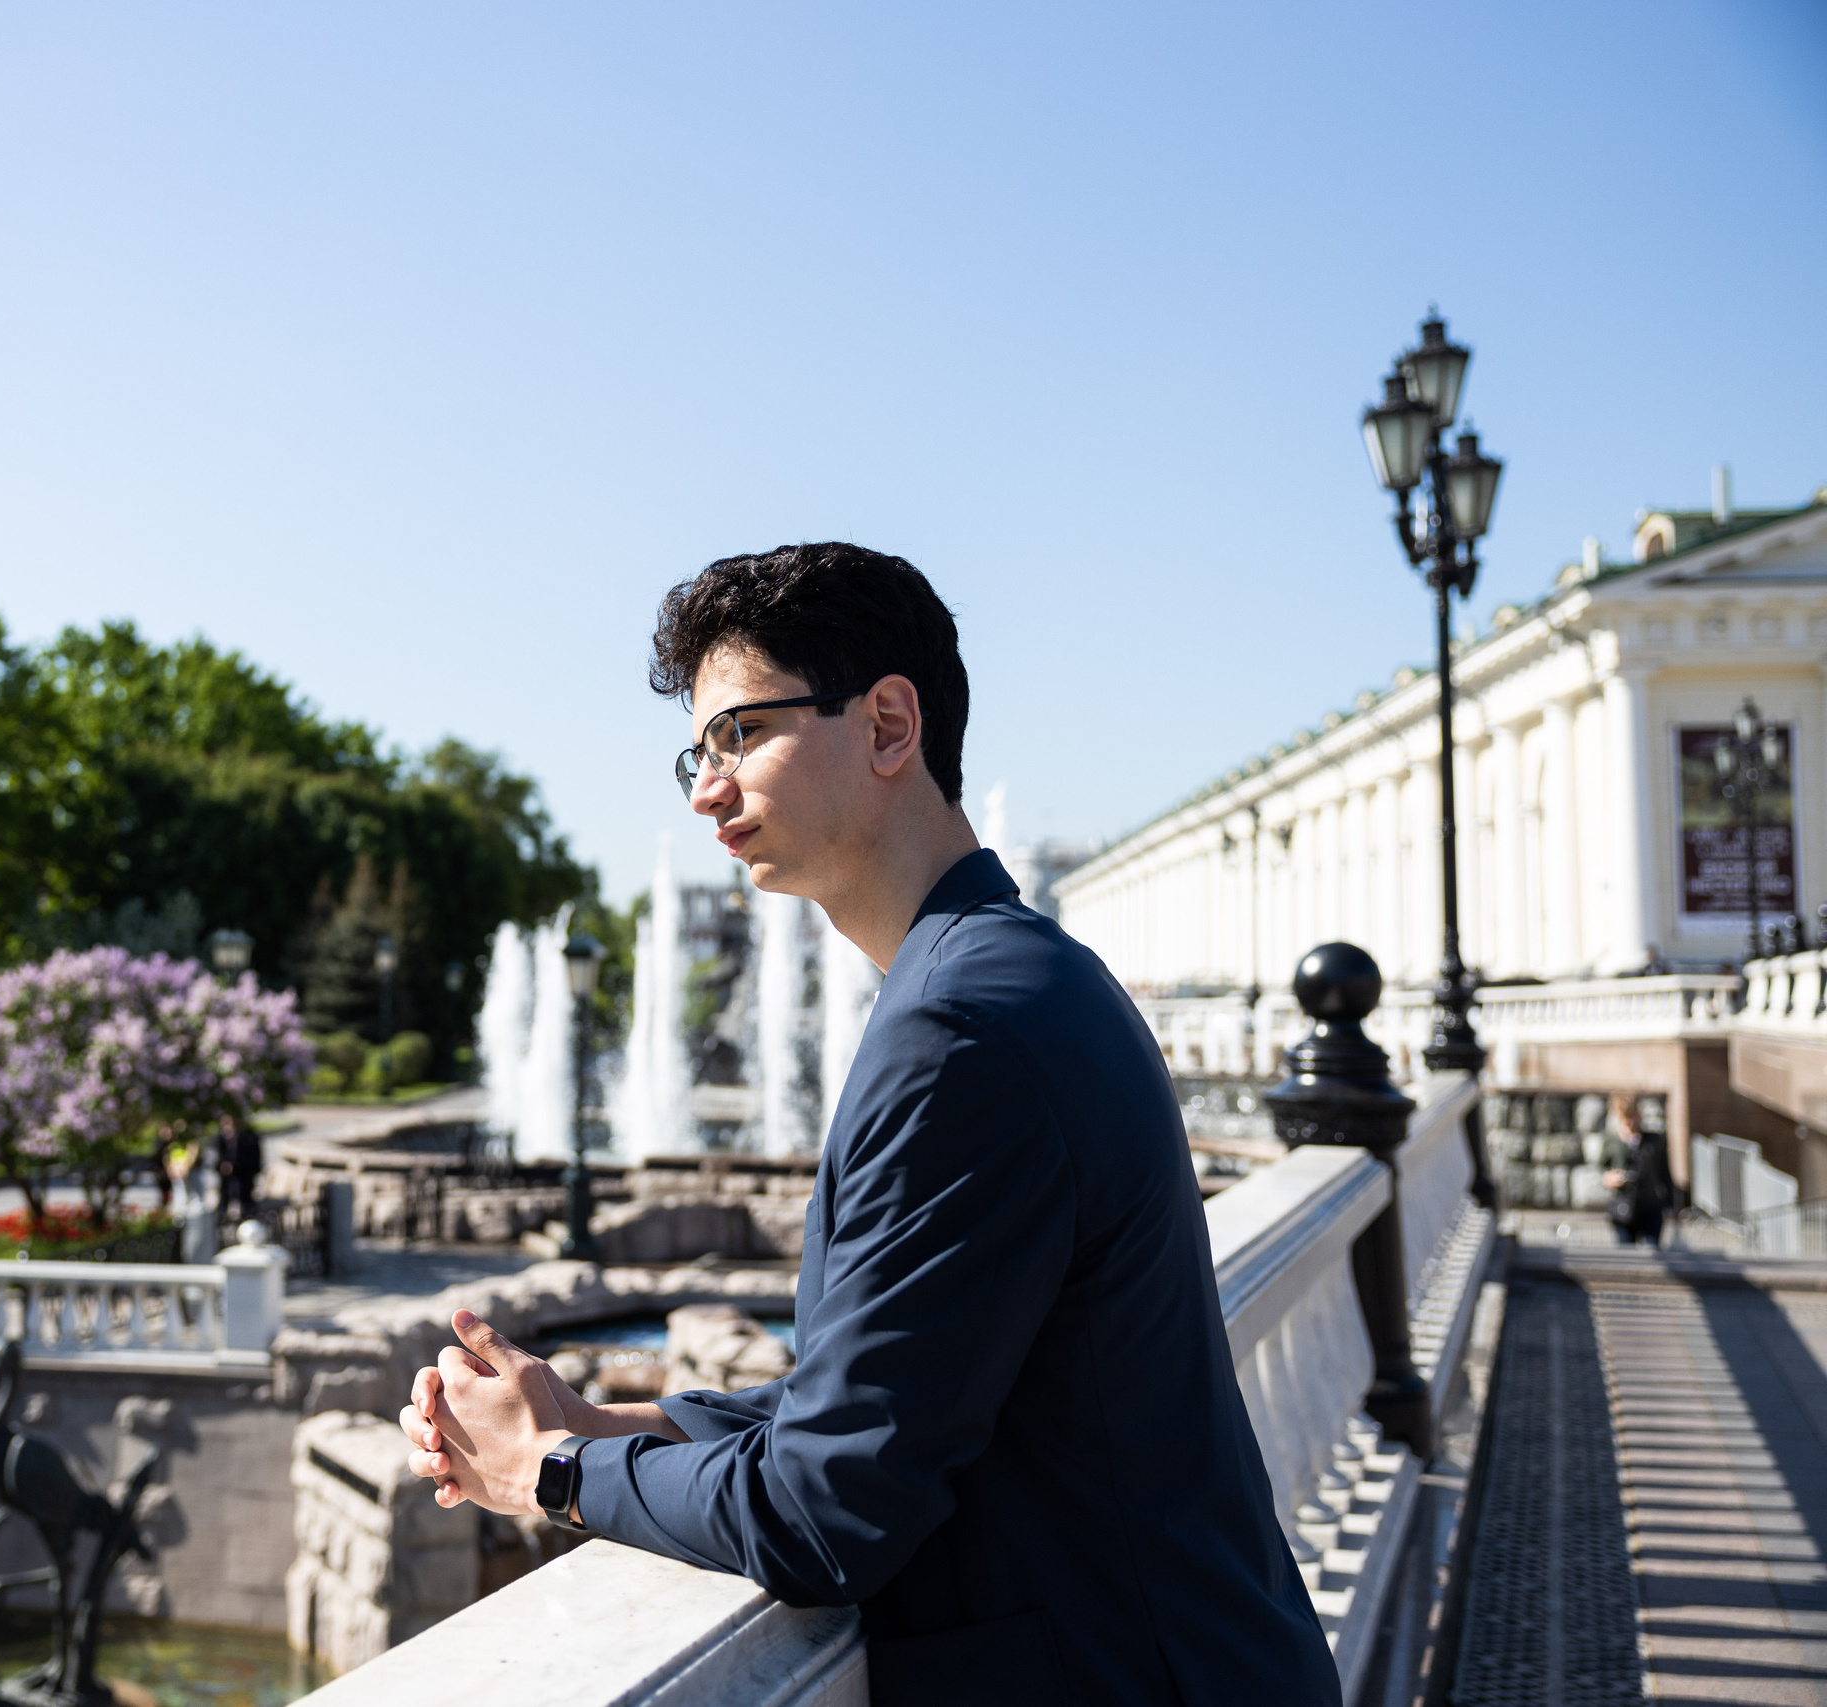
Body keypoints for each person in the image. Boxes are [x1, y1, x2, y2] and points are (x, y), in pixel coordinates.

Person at [398, 544, 1338, 1704]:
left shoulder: (956, 1028)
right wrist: (617, 1418)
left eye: (741, 734)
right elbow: (898, 1390)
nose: (705, 787)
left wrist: (553, 1472)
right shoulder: (1026, 972)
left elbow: (826, 1515)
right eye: (697, 752)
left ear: (890, 724)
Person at [1603, 1093, 1671, 1247]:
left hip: (1649, 1207)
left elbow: (1665, 1173)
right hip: (1623, 1209)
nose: (1629, 1123)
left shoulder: (1654, 1141)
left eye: (1631, 1117)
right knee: (1626, 1255)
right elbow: (1601, 1169)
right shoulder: (1612, 1141)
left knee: (1650, 1250)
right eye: (1624, 1119)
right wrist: (1609, 1178)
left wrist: (1671, 1206)